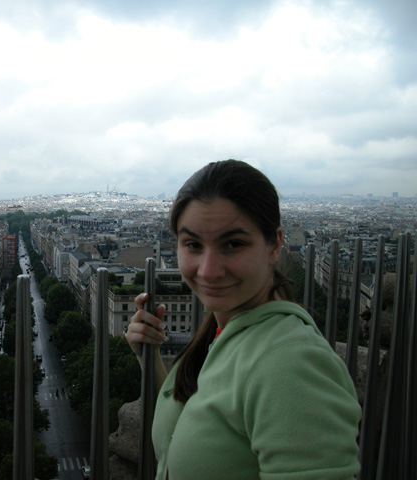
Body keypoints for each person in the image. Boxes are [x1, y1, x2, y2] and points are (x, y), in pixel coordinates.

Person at [126, 159, 361, 479]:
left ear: (274, 245)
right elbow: (184, 428)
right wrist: (148, 355)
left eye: (233, 244)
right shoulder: (225, 332)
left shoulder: (293, 364)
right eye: (193, 244)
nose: (208, 269)